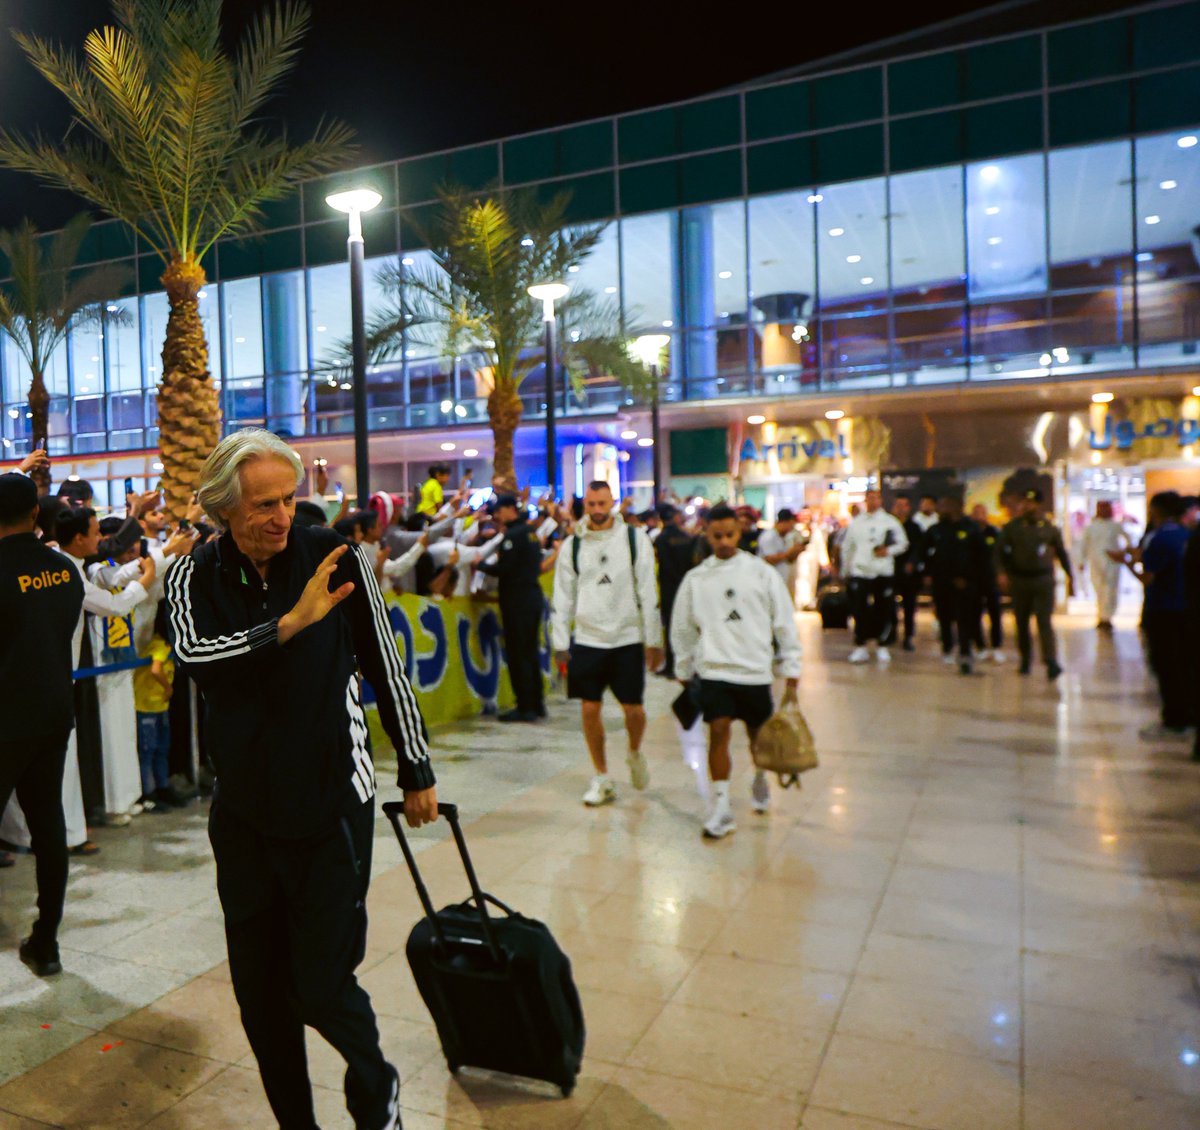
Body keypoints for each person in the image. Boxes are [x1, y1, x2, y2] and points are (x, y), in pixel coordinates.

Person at [166, 429, 435, 1130]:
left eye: (288, 499)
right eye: (263, 504)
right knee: (261, 999)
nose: (281, 516)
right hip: (244, 816)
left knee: (321, 986)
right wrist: (287, 625)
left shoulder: (333, 555)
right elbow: (196, 657)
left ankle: (376, 1090)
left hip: (330, 804)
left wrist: (416, 767)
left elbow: (384, 663)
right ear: (224, 508)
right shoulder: (191, 575)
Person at [670, 504, 802, 838]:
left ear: (739, 532)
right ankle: (721, 806)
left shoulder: (761, 572)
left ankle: (760, 776)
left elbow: (783, 620)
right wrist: (683, 664)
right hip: (715, 670)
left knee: (758, 737)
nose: (724, 541)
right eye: (717, 536)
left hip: (755, 670)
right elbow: (682, 626)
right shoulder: (697, 578)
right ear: (706, 535)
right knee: (718, 731)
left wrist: (792, 664)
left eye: (729, 534)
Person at [0, 472, 85, 976]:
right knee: (48, 826)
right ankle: (46, 941)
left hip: (5, 720)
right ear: (35, 512)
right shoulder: (64, 570)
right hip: (52, 714)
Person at [551, 481, 662, 807]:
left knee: (634, 710)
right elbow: (562, 596)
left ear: (613, 502)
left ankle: (634, 751)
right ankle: (601, 776)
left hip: (627, 637)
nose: (597, 510)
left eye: (603, 504)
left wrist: (653, 639)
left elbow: (648, 590)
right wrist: (560, 642)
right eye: (592, 505)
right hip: (588, 639)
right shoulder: (572, 545)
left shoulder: (634, 539)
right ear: (585, 506)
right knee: (589, 709)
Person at [477, 493, 546, 723]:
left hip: (517, 601)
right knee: (531, 652)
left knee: (518, 654)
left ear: (509, 509)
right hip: (532, 597)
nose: (497, 515)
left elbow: (505, 569)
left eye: (499, 511)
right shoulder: (530, 532)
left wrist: (481, 565)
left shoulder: (513, 536)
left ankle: (525, 706)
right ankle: (537, 704)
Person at [995, 489, 1072, 680]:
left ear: (1039, 505)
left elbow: (1061, 552)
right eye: (1024, 502)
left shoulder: (1049, 528)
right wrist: (1001, 573)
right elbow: (999, 553)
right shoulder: (1012, 527)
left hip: (1043, 580)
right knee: (1021, 622)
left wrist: (1070, 576)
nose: (1026, 506)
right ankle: (1025, 659)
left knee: (1044, 621)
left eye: (1031, 502)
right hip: (1020, 580)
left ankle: (1051, 661)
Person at [1136, 492, 1191, 741]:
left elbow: (1148, 578)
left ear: (1156, 510)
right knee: (1184, 665)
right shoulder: (1186, 534)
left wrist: (1126, 563)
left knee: (1166, 666)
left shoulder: (1159, 538)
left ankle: (1174, 720)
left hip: (1162, 609)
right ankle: (1187, 716)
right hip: (1186, 609)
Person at [840, 489, 909, 664]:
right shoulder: (857, 523)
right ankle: (860, 645)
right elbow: (848, 547)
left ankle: (882, 644)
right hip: (861, 571)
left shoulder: (889, 521)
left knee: (883, 609)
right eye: (869, 498)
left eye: (876, 498)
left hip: (882, 571)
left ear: (881, 500)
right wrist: (845, 570)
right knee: (859, 609)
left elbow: (903, 543)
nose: (873, 501)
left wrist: (888, 551)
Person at [924, 495, 990, 675]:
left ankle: (965, 652)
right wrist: (927, 572)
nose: (942, 509)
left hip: (965, 583)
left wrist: (973, 578)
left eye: (946, 505)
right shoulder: (936, 529)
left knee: (965, 618)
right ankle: (947, 647)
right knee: (944, 616)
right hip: (942, 582)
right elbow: (924, 552)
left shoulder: (971, 528)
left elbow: (982, 556)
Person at [133, 601, 176, 812]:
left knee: (161, 749)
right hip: (147, 706)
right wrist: (168, 688)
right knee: (148, 751)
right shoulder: (159, 644)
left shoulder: (167, 645)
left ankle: (163, 788)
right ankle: (149, 794)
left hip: (159, 706)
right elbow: (155, 670)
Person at [654, 505, 699, 678]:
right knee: (686, 626)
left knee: (670, 627)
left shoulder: (661, 539)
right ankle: (687, 665)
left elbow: (665, 565)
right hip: (687, 586)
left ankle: (672, 665)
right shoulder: (686, 537)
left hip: (669, 588)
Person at [1080, 500, 1127, 630]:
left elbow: (1129, 540)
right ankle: (1102, 616)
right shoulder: (1091, 527)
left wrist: (1121, 553)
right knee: (1099, 589)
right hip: (1095, 563)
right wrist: (1081, 561)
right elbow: (1084, 545)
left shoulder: (1115, 526)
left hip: (1112, 563)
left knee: (1110, 590)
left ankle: (1107, 617)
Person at [970, 503, 1006, 663]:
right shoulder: (969, 532)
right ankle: (980, 646)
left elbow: (1002, 555)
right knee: (974, 613)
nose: (979, 515)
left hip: (991, 580)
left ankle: (996, 646)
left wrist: (1002, 574)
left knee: (995, 614)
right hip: (973, 580)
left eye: (982, 512)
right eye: (976, 512)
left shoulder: (995, 533)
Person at [890, 495, 925, 652]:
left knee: (909, 605)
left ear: (909, 508)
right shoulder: (888, 525)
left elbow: (919, 548)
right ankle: (891, 632)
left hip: (909, 573)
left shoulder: (914, 527)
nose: (900, 508)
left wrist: (912, 563)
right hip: (891, 570)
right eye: (898, 505)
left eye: (903, 505)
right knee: (889, 604)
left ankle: (908, 636)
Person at [758, 508, 805, 602]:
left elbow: (788, 560)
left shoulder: (784, 537)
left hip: (782, 581)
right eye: (791, 524)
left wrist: (796, 551)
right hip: (769, 582)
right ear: (785, 522)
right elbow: (769, 559)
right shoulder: (769, 537)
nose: (792, 528)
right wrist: (789, 553)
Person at [795, 507, 828, 611]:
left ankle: (810, 601)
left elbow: (820, 545)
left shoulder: (815, 529)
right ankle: (802, 601)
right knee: (801, 578)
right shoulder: (796, 529)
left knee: (812, 579)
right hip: (800, 558)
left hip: (813, 558)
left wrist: (824, 561)